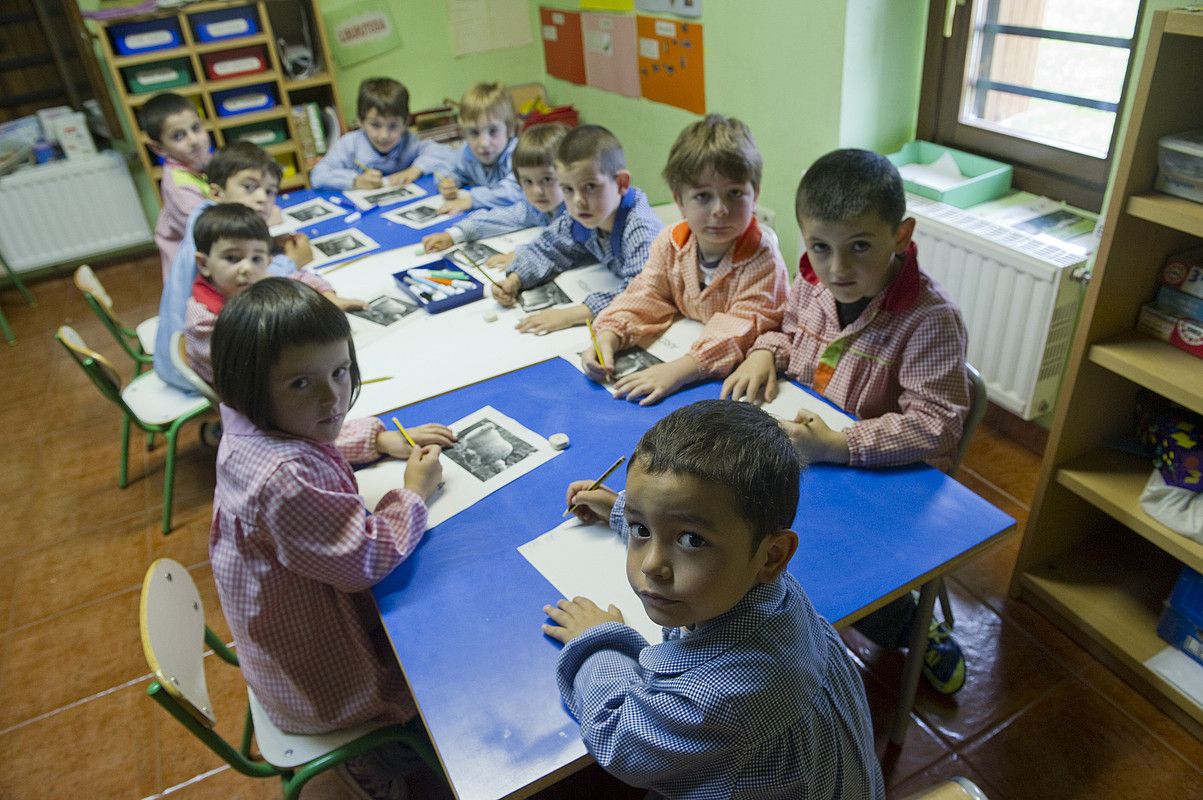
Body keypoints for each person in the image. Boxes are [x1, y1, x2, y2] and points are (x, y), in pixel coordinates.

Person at [721, 148, 972, 694]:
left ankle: (910, 625)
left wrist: (840, 444)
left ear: (900, 235)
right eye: (821, 247)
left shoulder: (930, 319)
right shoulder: (812, 281)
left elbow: (937, 424)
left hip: (886, 483)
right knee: (748, 528)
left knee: (834, 572)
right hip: (812, 460)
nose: (837, 269)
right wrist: (766, 350)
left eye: (861, 247)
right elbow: (787, 329)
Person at [546, 400, 884, 800]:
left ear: (772, 555)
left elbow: (622, 742)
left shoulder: (728, 694)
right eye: (642, 529)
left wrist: (599, 641)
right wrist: (619, 510)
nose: (652, 566)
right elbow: (686, 515)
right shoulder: (768, 585)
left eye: (691, 540)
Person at [209, 277, 455, 799]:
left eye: (341, 371)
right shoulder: (283, 479)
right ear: (250, 386)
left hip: (276, 640)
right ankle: (375, 761)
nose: (332, 396)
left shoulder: (247, 419)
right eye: (302, 383)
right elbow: (362, 562)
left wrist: (377, 438)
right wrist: (412, 493)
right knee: (437, 657)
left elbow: (310, 429)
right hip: (320, 678)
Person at [582, 114, 788, 405]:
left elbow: (739, 328)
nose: (720, 210)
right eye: (703, 196)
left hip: (733, 378)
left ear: (755, 195)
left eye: (734, 194)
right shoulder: (671, 242)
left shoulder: (762, 257)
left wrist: (676, 372)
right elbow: (647, 294)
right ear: (679, 201)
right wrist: (610, 334)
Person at [153, 142, 361, 394]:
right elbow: (246, 362)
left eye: (270, 191)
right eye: (249, 187)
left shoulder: (213, 221)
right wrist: (290, 260)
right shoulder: (205, 313)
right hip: (199, 373)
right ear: (217, 193)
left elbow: (295, 278)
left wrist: (326, 295)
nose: (262, 198)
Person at [492, 124, 662, 335]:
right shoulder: (580, 218)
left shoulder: (640, 229)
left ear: (621, 183)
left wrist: (571, 315)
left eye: (590, 187)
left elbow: (641, 293)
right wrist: (514, 280)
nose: (578, 201)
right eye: (568, 190)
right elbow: (548, 248)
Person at [183, 204, 334, 385]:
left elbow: (299, 278)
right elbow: (251, 363)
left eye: (256, 259)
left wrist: (328, 295)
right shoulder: (204, 320)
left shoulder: (254, 280)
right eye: (232, 258)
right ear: (204, 264)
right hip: (246, 393)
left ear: (268, 262)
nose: (247, 268)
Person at [421, 122, 569, 271]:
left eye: (547, 180)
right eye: (527, 181)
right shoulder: (535, 208)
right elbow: (503, 217)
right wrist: (455, 235)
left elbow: (561, 244)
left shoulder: (576, 214)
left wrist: (522, 256)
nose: (537, 191)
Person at [309, 77, 451, 191]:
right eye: (375, 125)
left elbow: (447, 153)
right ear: (361, 121)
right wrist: (355, 181)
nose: (384, 135)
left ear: (406, 123)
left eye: (393, 126)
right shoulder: (349, 144)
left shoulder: (408, 141)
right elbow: (318, 175)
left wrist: (414, 170)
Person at [141, 92, 212, 283]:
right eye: (179, 136)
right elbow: (211, 234)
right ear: (159, 148)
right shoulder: (179, 188)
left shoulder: (202, 161)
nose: (194, 141)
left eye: (196, 128)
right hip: (195, 279)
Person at [434, 82, 524, 215]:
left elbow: (516, 190)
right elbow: (445, 168)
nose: (484, 143)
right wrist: (448, 182)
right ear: (463, 133)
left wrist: (472, 200)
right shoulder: (466, 152)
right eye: (474, 133)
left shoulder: (519, 155)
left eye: (493, 131)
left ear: (510, 129)